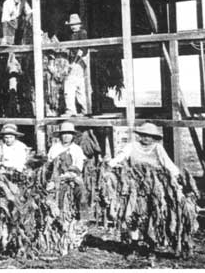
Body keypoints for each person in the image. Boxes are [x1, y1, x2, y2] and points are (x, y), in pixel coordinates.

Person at [107, 122, 180, 259]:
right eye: (144, 135)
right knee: (132, 216)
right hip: (134, 186)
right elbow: (119, 158)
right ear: (139, 136)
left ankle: (151, 247)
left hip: (153, 187)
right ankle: (133, 246)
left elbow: (168, 164)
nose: (146, 138)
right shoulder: (131, 146)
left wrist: (177, 178)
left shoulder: (158, 148)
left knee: (152, 217)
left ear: (154, 137)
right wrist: (110, 165)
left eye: (149, 136)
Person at [47, 122, 87, 219]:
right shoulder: (55, 148)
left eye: (69, 134)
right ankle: (55, 217)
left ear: (73, 136)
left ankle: (82, 218)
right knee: (49, 193)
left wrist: (70, 175)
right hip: (56, 176)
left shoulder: (77, 149)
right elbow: (49, 164)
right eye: (64, 133)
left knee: (81, 191)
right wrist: (55, 178)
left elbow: (79, 167)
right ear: (60, 135)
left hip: (73, 175)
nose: (66, 136)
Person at [63, 13, 89, 117]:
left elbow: (82, 50)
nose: (73, 26)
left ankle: (71, 110)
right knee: (79, 86)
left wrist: (73, 63)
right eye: (71, 25)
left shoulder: (82, 33)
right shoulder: (72, 35)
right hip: (77, 62)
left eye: (75, 24)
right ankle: (84, 110)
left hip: (78, 62)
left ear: (80, 24)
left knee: (69, 84)